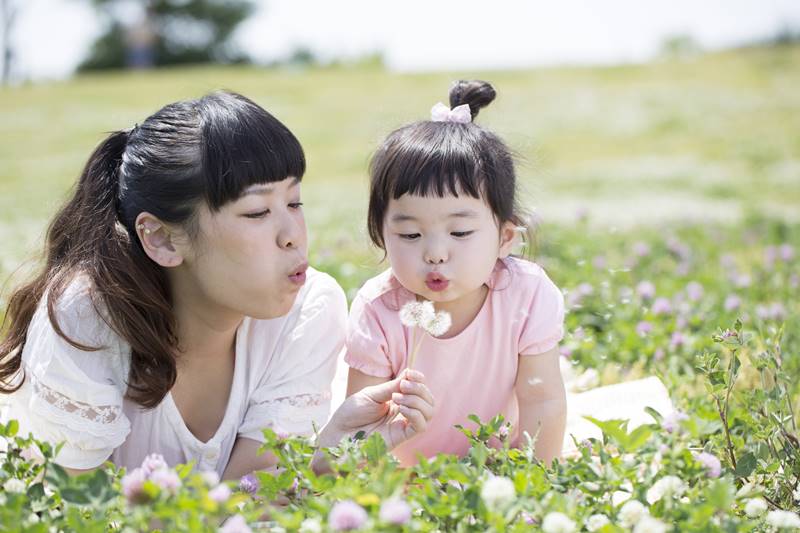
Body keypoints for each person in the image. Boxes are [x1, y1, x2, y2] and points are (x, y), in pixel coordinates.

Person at [0, 91, 434, 479]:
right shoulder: (89, 315)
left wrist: (325, 455)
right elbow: (77, 515)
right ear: (162, 238)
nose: (293, 235)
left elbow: (248, 501)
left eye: (295, 202)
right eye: (256, 212)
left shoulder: (309, 308)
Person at [345, 80, 567, 466]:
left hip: (499, 462)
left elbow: (541, 399)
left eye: (460, 232)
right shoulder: (378, 308)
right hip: (403, 472)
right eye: (410, 234)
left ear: (505, 237)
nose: (434, 253)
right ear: (381, 233)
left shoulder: (527, 295)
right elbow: (360, 424)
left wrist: (534, 485)